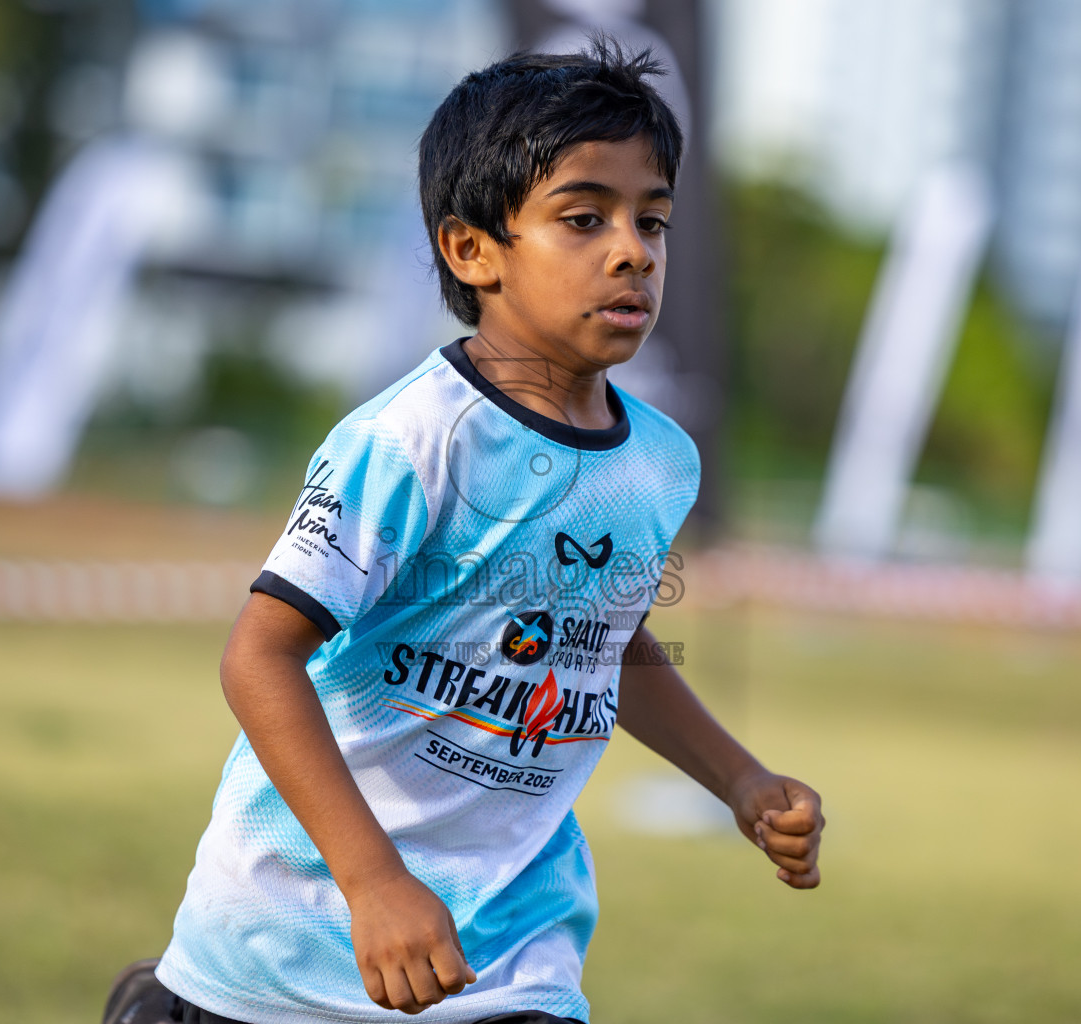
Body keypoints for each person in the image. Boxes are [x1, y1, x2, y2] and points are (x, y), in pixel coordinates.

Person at [104, 38, 824, 1024]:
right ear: (471, 248)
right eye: (583, 218)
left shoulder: (660, 462)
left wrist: (739, 779)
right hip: (288, 943)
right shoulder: (410, 443)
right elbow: (258, 658)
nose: (634, 250)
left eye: (651, 220)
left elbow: (604, 643)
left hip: (509, 951)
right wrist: (375, 884)